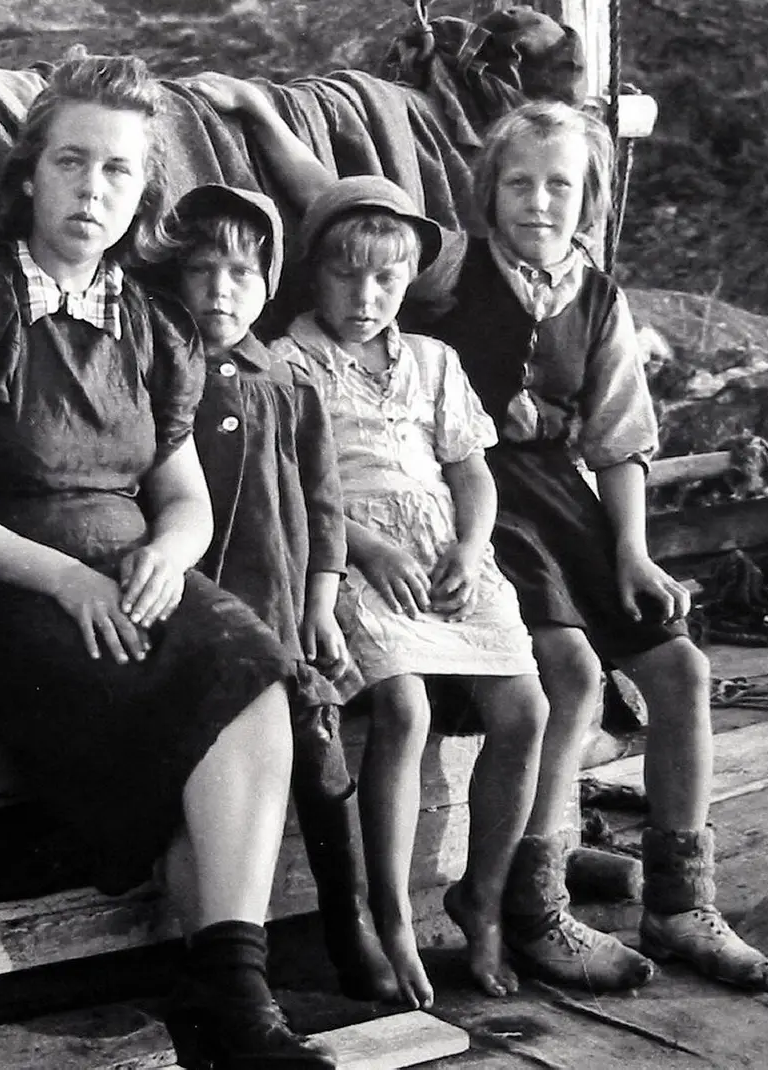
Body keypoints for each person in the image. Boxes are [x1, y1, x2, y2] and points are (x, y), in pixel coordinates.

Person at [191, 76, 768, 993]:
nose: (540, 203)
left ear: (591, 198)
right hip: (466, 495)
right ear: (487, 192)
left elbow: (619, 441)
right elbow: (336, 213)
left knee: (682, 667)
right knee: (572, 671)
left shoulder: (600, 297)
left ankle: (680, 901)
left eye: (562, 186)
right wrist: (266, 123)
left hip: (557, 495)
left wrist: (631, 550)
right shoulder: (448, 266)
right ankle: (533, 904)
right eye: (520, 185)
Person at [0, 55, 336, 1069]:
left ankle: (230, 999)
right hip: (2, 572)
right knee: (197, 714)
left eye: (120, 171)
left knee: (257, 672)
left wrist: (172, 555)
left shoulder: (152, 317)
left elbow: (181, 494)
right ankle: (231, 1011)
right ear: (30, 174)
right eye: (72, 162)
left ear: (144, 190)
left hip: (129, 564)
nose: (93, 190)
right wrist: (64, 577)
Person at [271, 174, 551, 1011]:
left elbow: (472, 471)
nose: (366, 297)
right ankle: (389, 916)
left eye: (386, 279)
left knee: (526, 709)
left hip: (444, 552)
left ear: (408, 282)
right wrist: (364, 546)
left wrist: (472, 546)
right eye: (346, 276)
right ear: (314, 273)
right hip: (347, 551)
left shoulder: (433, 361)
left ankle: (484, 899)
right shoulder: (290, 361)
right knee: (404, 708)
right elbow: (289, 484)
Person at [156, 181, 398, 1002]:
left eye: (241, 273)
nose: (221, 291)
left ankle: (349, 918)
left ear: (269, 285)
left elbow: (325, 505)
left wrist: (323, 600)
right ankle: (214, 956)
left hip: (283, 606)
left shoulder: (289, 381)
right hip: (202, 609)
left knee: (322, 755)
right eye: (201, 271)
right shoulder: (163, 368)